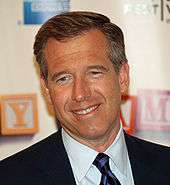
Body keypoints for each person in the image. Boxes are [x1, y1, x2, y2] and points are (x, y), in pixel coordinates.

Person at [0, 11, 170, 185]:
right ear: (46, 88)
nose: (80, 94)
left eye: (94, 73)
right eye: (63, 78)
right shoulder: (8, 178)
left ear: (122, 77)